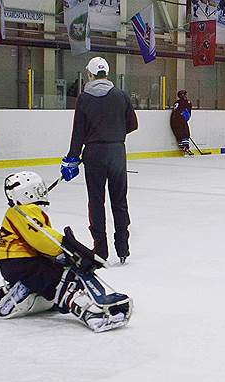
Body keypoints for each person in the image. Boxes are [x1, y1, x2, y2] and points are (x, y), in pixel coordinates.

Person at [0, 171, 132, 332]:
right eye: (38, 189)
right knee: (64, 280)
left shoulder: (23, 211)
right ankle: (93, 315)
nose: (43, 192)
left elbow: (40, 239)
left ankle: (17, 294)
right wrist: (67, 249)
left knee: (53, 283)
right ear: (26, 193)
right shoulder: (24, 210)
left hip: (20, 263)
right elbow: (42, 238)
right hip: (21, 262)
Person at [61, 57, 138, 264]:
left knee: (96, 202)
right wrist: (116, 134)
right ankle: (123, 247)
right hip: (117, 153)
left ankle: (100, 250)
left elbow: (78, 132)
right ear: (107, 73)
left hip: (94, 154)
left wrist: (72, 158)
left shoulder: (84, 98)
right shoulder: (121, 95)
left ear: (90, 74)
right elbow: (133, 124)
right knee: (119, 201)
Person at [171, 90, 193, 156]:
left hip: (176, 120)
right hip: (179, 120)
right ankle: (185, 147)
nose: (186, 96)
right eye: (185, 95)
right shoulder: (185, 102)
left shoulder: (177, 102)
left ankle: (184, 147)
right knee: (184, 133)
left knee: (181, 134)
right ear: (182, 95)